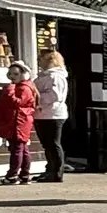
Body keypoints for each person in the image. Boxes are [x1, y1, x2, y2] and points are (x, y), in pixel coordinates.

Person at [0, 62, 37, 185]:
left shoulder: (24, 88)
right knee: (22, 149)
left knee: (17, 149)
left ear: (23, 74)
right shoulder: (24, 86)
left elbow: (18, 103)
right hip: (18, 121)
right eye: (10, 73)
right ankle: (24, 175)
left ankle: (13, 175)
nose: (12, 76)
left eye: (16, 74)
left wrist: (10, 90)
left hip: (19, 122)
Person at [35, 48, 69, 183]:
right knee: (47, 145)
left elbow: (55, 96)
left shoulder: (56, 76)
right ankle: (50, 169)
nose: (39, 61)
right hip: (42, 114)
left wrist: (37, 97)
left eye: (41, 59)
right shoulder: (44, 76)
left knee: (53, 144)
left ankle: (57, 172)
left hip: (53, 115)